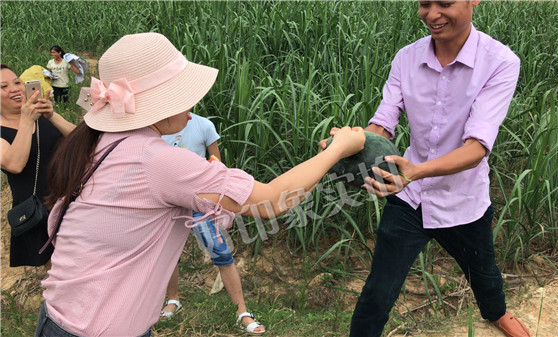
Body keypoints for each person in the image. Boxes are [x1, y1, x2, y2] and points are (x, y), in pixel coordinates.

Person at [35, 32, 364, 337]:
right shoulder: (159, 160)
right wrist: (338, 148)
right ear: (157, 105)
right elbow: (275, 200)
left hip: (59, 316)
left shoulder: (100, 141)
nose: (191, 111)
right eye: (183, 97)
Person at [324, 2, 530, 337]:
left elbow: (476, 148)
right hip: (409, 198)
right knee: (378, 289)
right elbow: (383, 123)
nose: (432, 14)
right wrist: (349, 145)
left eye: (445, 3)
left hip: (463, 199)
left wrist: (415, 172)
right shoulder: (407, 58)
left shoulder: (500, 62)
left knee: (484, 274)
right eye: (424, 3)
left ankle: (497, 313)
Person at [160, 114, 266, 334]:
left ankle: (242, 312)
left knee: (221, 253)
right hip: (169, 202)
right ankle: (173, 300)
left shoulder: (204, 126)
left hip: (199, 202)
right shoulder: (157, 125)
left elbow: (217, 167)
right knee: (169, 256)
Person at [1, 64, 76, 269]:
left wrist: (52, 116)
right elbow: (14, 164)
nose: (15, 88)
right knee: (58, 269)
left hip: (69, 198)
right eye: (4, 86)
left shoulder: (42, 116)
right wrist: (26, 121)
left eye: (17, 82)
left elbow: (81, 141)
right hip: (39, 209)